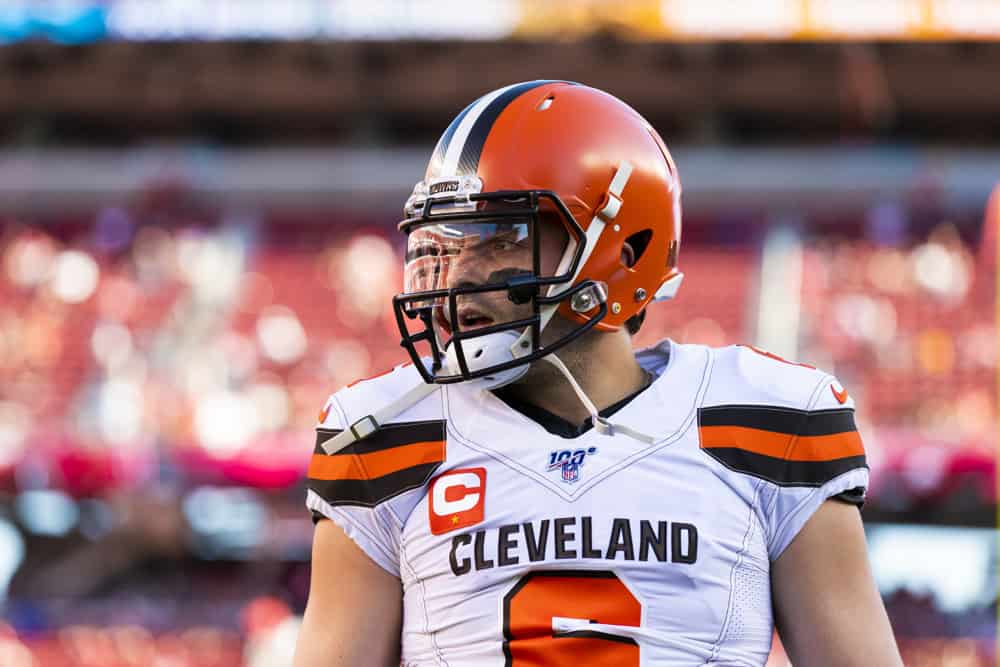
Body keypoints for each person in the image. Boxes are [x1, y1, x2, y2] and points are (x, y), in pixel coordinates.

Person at [293, 80, 902, 666]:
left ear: (623, 251)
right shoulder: (384, 435)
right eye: (446, 247)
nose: (458, 280)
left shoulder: (767, 419)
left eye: (501, 240)